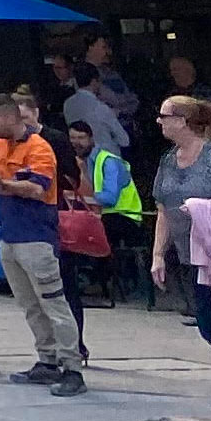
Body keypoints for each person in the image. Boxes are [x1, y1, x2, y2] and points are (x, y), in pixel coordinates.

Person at [0, 88, 84, 395]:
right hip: (11, 235)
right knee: (30, 304)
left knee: (53, 303)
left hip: (37, 237)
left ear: (8, 117)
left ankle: (72, 368)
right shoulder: (1, 145)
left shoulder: (39, 148)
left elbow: (37, 189)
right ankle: (47, 359)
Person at [153, 92, 211, 412]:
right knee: (208, 324)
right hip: (190, 257)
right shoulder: (168, 161)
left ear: (182, 122)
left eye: (164, 116)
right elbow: (162, 208)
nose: (159, 122)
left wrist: (207, 211)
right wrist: (159, 254)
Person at [66, 118, 145, 311]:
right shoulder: (77, 162)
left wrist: (85, 193)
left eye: (81, 138)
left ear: (92, 138)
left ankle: (99, 284)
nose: (76, 142)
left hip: (126, 218)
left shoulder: (109, 162)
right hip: (101, 216)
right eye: (72, 138)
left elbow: (109, 197)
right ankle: (81, 281)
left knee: (94, 230)